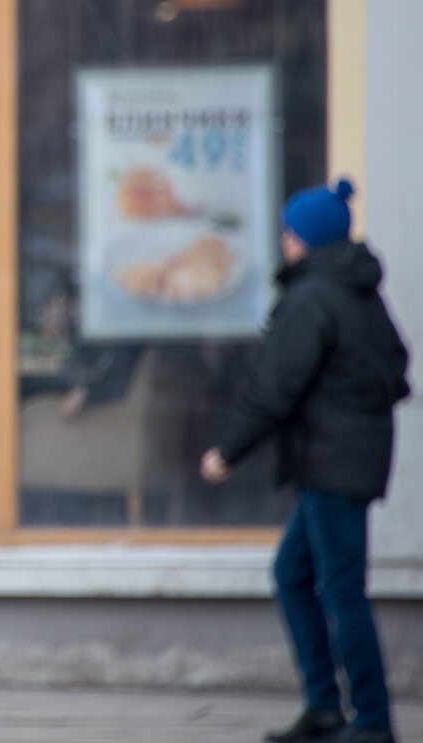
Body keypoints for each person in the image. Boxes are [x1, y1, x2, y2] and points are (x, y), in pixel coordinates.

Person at [200, 179, 409, 743]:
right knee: (293, 575)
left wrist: (227, 453)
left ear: (307, 239)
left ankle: (371, 720)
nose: (285, 240)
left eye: (290, 230)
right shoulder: (357, 292)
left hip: (331, 462)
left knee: (341, 589)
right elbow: (397, 368)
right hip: (347, 457)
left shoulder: (313, 297)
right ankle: (323, 708)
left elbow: (275, 388)